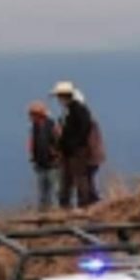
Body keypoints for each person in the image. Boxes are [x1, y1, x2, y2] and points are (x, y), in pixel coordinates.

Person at [51, 81, 94, 209]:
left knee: (80, 177)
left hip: (77, 151)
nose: (58, 99)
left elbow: (84, 128)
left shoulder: (79, 109)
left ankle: (83, 204)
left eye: (59, 96)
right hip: (68, 151)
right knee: (66, 179)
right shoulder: (68, 110)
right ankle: (65, 205)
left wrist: (74, 144)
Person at [27, 101, 58, 211]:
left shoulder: (52, 125)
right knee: (42, 191)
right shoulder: (34, 128)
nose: (30, 117)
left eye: (32, 114)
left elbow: (58, 142)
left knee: (52, 190)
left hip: (52, 163)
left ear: (39, 115)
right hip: (40, 163)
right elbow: (32, 144)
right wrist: (33, 158)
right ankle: (43, 211)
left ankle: (52, 212)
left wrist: (55, 154)